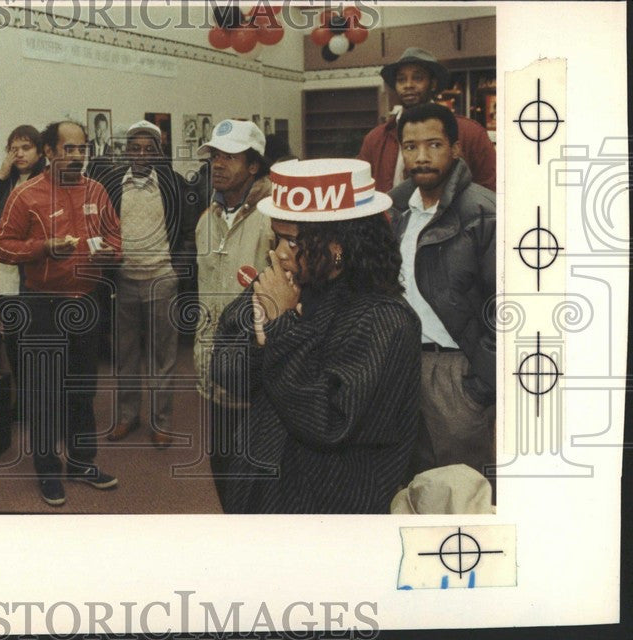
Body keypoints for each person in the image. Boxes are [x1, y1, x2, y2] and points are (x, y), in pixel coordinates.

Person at [211, 157, 422, 513]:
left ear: (338, 246)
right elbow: (226, 371)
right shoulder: (293, 283)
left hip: (327, 506)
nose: (278, 253)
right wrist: (265, 332)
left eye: (292, 241)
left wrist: (278, 329)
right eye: (276, 237)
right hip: (262, 489)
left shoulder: (385, 319)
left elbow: (328, 422)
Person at [0, 120, 122, 506]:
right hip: (43, 306)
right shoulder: (26, 194)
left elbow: (116, 236)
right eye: (69, 149)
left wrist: (110, 251)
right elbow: (3, 245)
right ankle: (48, 470)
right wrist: (43, 248)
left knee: (83, 391)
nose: (77, 156)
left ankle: (82, 463)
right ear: (49, 152)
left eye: (82, 149)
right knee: (46, 393)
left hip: (86, 303)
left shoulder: (97, 190)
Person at [388, 103, 496, 481]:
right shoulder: (398, 210)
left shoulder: (482, 211)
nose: (420, 157)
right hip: (405, 368)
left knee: (464, 493)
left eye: (433, 145)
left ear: (455, 148)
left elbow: (505, 306)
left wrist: (481, 383)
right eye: (410, 146)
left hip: (458, 373)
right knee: (413, 485)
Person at [101, 120, 200, 446]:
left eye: (149, 149)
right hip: (124, 280)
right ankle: (128, 416)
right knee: (125, 355)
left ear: (159, 152)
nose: (142, 155)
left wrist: (175, 271)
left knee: (163, 356)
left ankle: (161, 422)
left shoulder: (175, 184)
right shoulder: (113, 184)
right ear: (126, 151)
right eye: (135, 148)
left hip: (162, 281)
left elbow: (189, 234)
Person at [193, 119, 274, 509]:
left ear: (254, 165)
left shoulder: (273, 218)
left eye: (230, 157)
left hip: (260, 373)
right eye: (215, 157)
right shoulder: (206, 219)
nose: (218, 165)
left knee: (258, 475)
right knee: (222, 466)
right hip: (215, 368)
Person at [358, 47, 496, 193]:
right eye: (401, 79)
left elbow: (491, 191)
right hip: (390, 215)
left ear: (433, 83)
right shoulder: (375, 139)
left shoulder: (470, 133)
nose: (408, 85)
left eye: (417, 78)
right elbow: (361, 191)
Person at [0, 125, 46, 384]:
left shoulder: (47, 180)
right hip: (4, 271)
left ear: (40, 151)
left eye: (26, 148)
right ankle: (21, 397)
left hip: (32, 270)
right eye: (14, 149)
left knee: (33, 340)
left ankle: (35, 397)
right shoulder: (4, 180)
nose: (20, 154)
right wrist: (1, 175)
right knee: (11, 340)